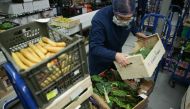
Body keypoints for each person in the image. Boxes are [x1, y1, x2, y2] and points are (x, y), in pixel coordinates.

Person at [89, 0, 147, 75]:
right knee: (99, 83)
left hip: (117, 56)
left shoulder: (128, 16)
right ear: (114, 11)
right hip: (100, 61)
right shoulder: (99, 20)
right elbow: (95, 47)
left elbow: (131, 23)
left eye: (129, 18)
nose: (125, 22)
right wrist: (115, 55)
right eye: (121, 18)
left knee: (117, 80)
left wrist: (136, 32)